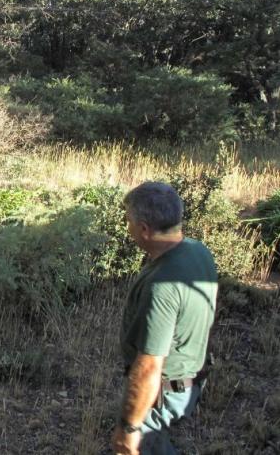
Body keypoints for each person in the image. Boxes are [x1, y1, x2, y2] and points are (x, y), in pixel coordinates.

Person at [112, 182, 217, 455]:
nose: (128, 228)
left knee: (144, 444)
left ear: (144, 229)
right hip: (190, 380)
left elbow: (148, 367)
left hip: (164, 394)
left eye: (129, 222)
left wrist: (129, 427)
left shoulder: (162, 285)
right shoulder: (198, 251)